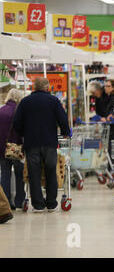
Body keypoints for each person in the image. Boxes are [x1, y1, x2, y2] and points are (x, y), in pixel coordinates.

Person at [13, 77, 70, 212]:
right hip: (50, 143)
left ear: (34, 87)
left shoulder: (25, 102)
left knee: (34, 173)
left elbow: (16, 122)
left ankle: (38, 205)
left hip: (31, 143)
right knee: (51, 171)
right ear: (47, 87)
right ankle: (51, 203)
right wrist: (65, 132)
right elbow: (62, 118)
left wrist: (23, 133)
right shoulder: (53, 101)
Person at [0, 89, 25, 210]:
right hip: (17, 148)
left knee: (5, 175)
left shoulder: (1, 111)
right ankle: (20, 201)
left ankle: (7, 203)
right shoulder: (20, 112)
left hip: (3, 148)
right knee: (20, 175)